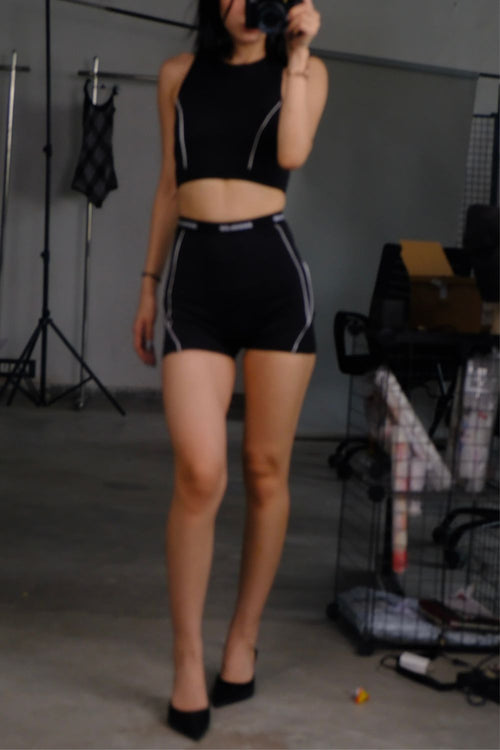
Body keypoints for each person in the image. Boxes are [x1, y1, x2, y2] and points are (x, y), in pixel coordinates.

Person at [133, 0, 328, 740]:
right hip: (195, 282)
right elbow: (167, 182)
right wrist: (148, 284)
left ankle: (242, 639)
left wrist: (298, 56)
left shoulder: (306, 71)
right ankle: (187, 659)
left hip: (275, 280)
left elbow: (293, 152)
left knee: (266, 470)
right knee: (199, 473)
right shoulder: (177, 74)